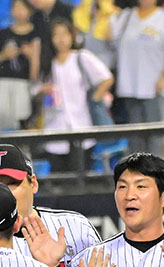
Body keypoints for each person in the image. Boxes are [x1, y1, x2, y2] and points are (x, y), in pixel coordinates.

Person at [109, 0, 164, 154]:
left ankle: (159, 174)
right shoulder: (126, 17)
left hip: (154, 87)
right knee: (135, 136)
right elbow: (110, 37)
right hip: (130, 86)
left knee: (156, 136)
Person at [41, 19, 113, 168]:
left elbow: (106, 78)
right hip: (55, 127)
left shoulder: (81, 57)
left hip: (81, 124)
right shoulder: (48, 64)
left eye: (64, 34)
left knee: (82, 173)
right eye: (56, 35)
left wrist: (95, 99)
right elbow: (35, 88)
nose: (61, 39)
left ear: (72, 36)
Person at [0, 0, 42, 133]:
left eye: (22, 8)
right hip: (2, 82)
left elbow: (36, 72)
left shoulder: (36, 34)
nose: (19, 11)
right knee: (0, 121)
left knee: (22, 121)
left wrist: (31, 55)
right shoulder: (2, 34)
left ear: (29, 10)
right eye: (15, 7)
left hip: (23, 83)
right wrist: (4, 55)